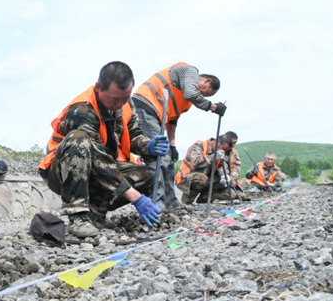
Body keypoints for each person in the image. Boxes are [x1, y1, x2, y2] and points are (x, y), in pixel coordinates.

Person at [38, 62, 170, 238]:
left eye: (125, 98)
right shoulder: (82, 109)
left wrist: (148, 146)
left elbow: (133, 135)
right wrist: (135, 197)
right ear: (99, 88)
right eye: (114, 99)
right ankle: (78, 216)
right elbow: (98, 158)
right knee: (79, 140)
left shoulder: (126, 104)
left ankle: (95, 213)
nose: (120, 104)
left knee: (151, 177)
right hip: (63, 171)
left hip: (101, 167)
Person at [132, 63, 224, 209]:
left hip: (156, 116)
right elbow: (191, 94)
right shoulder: (190, 71)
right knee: (159, 156)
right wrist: (212, 106)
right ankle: (157, 204)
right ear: (207, 81)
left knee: (168, 159)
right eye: (205, 93)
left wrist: (172, 145)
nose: (202, 96)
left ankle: (171, 203)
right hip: (145, 106)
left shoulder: (185, 101)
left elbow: (172, 122)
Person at [174, 134, 236, 203]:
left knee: (225, 185)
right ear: (218, 142)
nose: (223, 151)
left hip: (206, 178)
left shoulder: (220, 153)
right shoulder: (199, 145)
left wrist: (224, 175)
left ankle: (204, 199)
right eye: (223, 149)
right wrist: (213, 156)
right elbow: (196, 163)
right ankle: (187, 200)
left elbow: (222, 165)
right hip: (185, 178)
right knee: (201, 178)